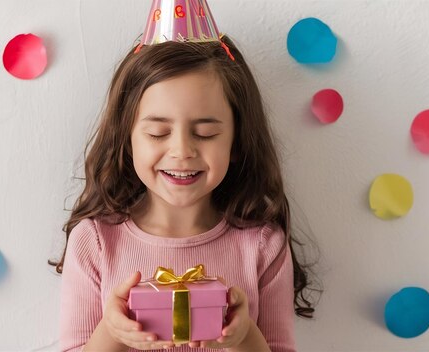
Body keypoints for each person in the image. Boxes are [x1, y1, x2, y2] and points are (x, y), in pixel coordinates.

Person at [51, 26, 318, 351]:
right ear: (127, 140)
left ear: (237, 142)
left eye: (205, 133)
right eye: (158, 132)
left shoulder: (262, 246)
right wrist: (113, 331)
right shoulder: (95, 243)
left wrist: (244, 334)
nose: (181, 151)